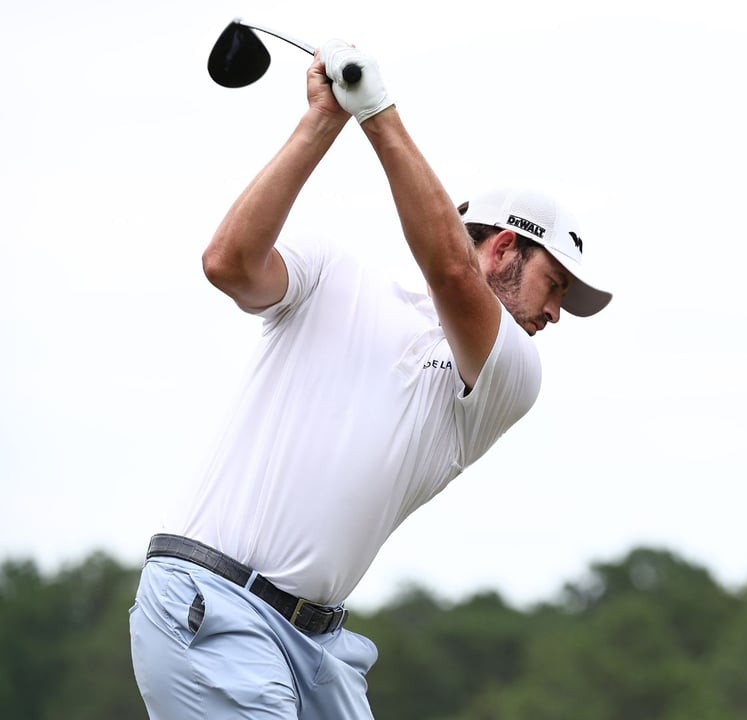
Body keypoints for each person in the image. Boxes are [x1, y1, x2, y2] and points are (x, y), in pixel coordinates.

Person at [129, 40, 610, 719]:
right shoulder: (332, 272)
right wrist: (323, 121)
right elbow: (229, 264)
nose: (557, 313)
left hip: (321, 646)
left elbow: (450, 271)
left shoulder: (513, 373)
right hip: (213, 606)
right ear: (503, 247)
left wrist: (379, 113)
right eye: (553, 284)